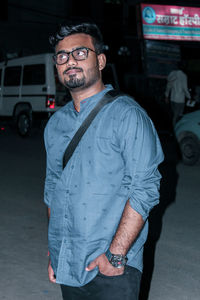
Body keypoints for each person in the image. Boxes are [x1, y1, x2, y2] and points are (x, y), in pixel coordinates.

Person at [44, 22, 164, 300]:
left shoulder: (127, 115)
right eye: (62, 56)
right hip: (69, 260)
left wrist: (116, 255)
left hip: (112, 265)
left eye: (80, 53)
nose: (70, 61)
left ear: (100, 60)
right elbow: (53, 189)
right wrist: (55, 252)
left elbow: (145, 188)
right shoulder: (55, 124)